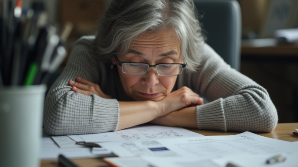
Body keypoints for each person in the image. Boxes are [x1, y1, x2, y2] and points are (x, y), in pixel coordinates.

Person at [44, 0, 278, 135]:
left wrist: (150, 114)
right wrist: (162, 107)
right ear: (114, 55)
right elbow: (58, 114)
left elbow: (261, 110)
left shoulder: (191, 52)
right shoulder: (91, 51)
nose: (152, 82)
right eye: (135, 63)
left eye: (167, 65)